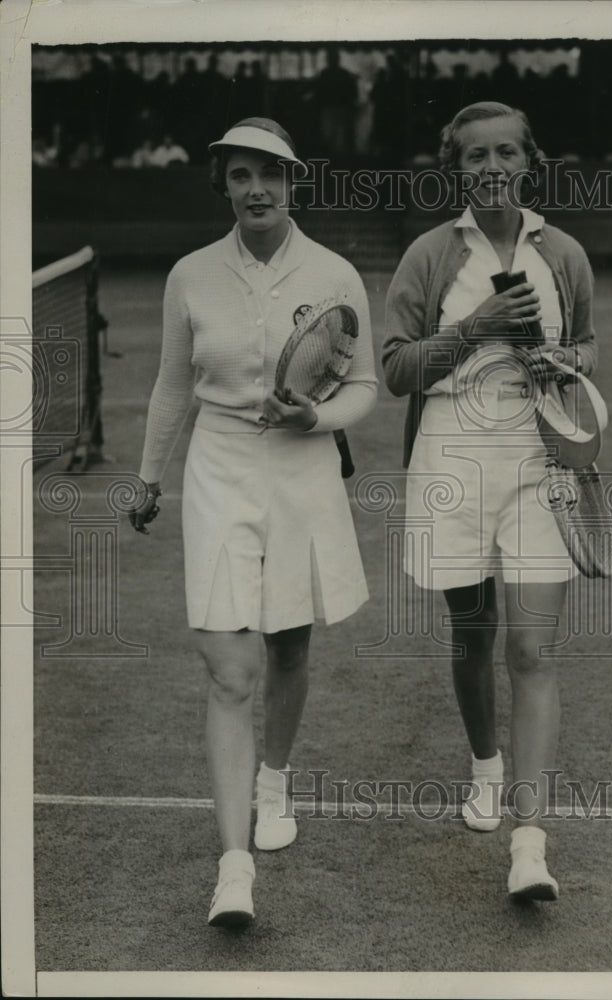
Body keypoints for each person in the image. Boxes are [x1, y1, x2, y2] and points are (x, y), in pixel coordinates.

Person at [130, 117, 377, 927]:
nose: (257, 190)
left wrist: (315, 419)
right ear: (224, 185)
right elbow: (172, 384)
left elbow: (364, 387)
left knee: (291, 643)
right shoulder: (191, 275)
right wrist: (147, 478)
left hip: (303, 467)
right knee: (230, 670)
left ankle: (275, 779)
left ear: (295, 182)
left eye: (270, 174)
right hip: (220, 470)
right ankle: (233, 867)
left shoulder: (335, 272)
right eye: (241, 176)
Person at [381, 101, 598, 901]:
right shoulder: (430, 254)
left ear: (529, 161)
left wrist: (558, 360)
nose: (492, 166)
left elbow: (589, 342)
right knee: (471, 634)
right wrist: (475, 327)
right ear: (457, 168)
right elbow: (398, 369)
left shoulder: (562, 251)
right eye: (476, 156)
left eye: (506, 151)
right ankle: (483, 766)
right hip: (450, 458)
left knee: (534, 652)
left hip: (537, 459)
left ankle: (529, 844)